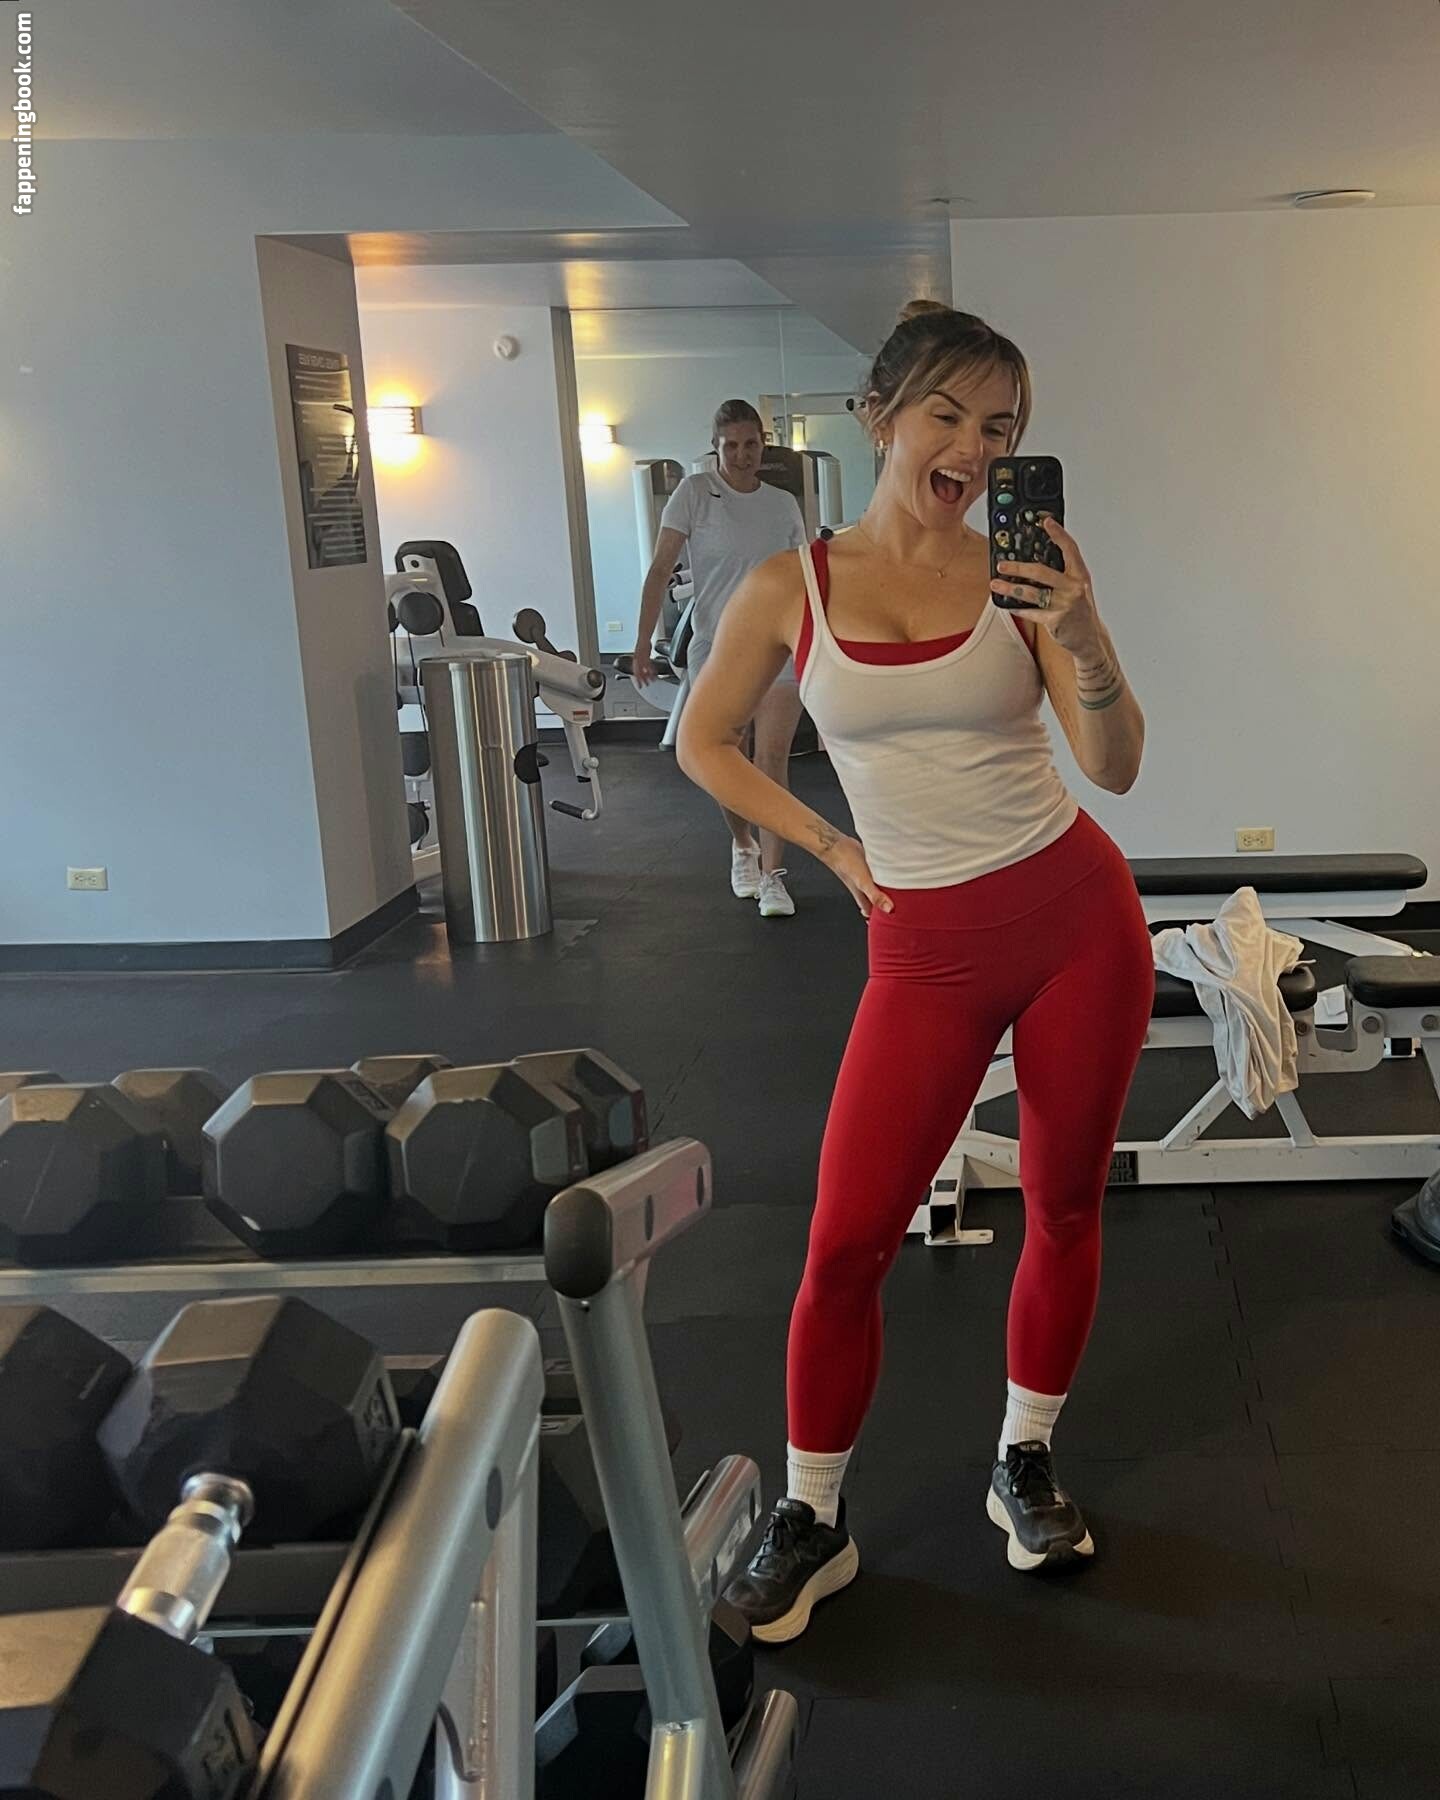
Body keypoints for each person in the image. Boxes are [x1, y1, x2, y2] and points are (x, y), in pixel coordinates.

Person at [677, 301, 1155, 1641]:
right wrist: (829, 843)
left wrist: (1083, 629)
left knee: (1064, 1204)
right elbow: (703, 741)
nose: (974, 448)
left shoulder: (1026, 573)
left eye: (1000, 427)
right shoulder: (793, 587)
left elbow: (1114, 766)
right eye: (948, 414)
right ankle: (813, 1516)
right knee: (844, 1246)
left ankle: (1026, 1460)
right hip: (923, 951)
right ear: (880, 417)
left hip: (1076, 923)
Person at [633, 400, 809, 917]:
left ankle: (774, 876)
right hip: (718, 645)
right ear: (716, 447)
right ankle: (743, 843)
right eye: (731, 446)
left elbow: (803, 577)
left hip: (779, 644)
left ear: (763, 444)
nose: (741, 455)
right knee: (726, 755)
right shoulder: (694, 494)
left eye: (750, 444)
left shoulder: (782, 504)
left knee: (771, 759)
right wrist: (642, 641)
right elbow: (660, 569)